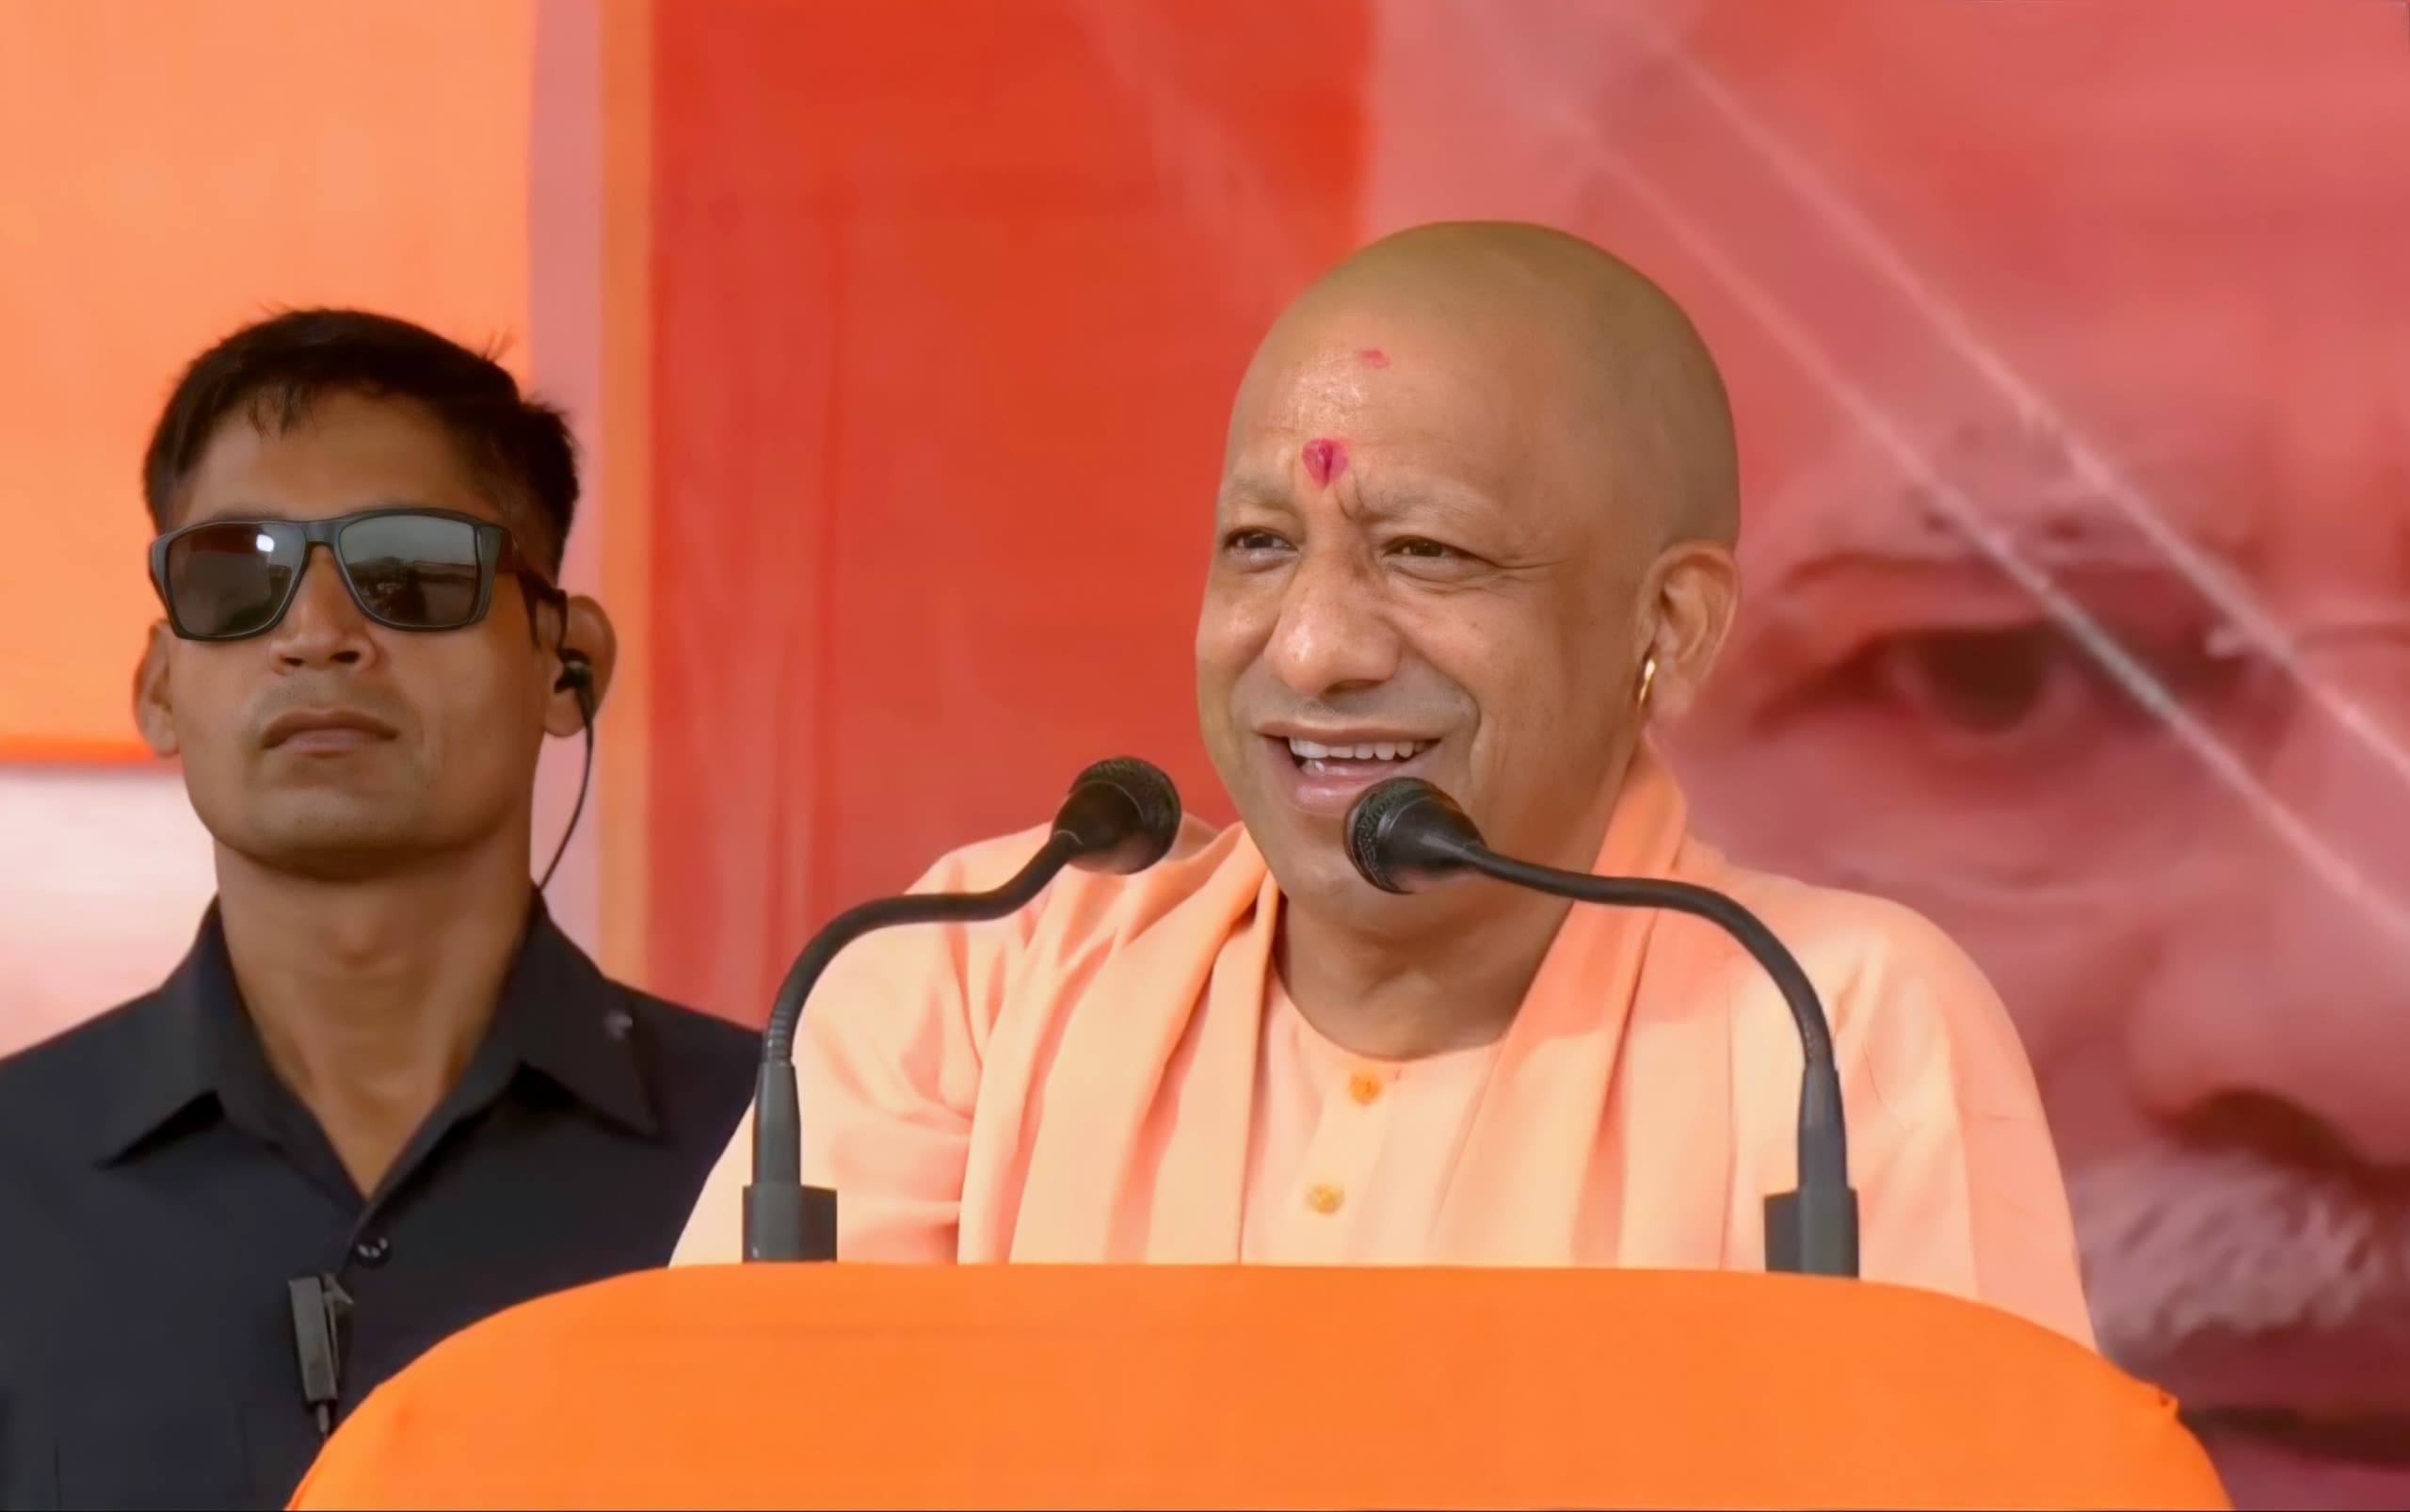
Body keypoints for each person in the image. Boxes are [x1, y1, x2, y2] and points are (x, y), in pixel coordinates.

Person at [670, 222, 2091, 1345]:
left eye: (1425, 554)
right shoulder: (978, 975)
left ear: (1667, 626)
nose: (1312, 648)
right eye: (1259, 544)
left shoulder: (1827, 1025)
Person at [0, 310, 759, 1510]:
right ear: (157, 687)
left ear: (568, 663)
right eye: (237, 576)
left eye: (410, 572)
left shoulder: (782, 1157)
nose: (316, 636)